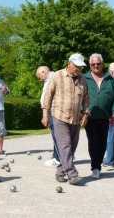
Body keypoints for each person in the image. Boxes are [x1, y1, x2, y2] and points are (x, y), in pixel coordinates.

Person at [42, 53, 90, 185]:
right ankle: (72, 174)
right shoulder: (57, 75)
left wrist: (85, 114)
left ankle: (60, 172)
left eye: (81, 67)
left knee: (72, 147)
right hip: (59, 115)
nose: (78, 69)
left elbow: (86, 98)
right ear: (69, 63)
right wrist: (45, 114)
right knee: (65, 145)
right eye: (76, 66)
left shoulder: (82, 79)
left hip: (75, 118)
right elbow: (47, 96)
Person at [84, 54, 114, 179]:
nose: (96, 66)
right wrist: (81, 112)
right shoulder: (85, 78)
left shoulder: (110, 79)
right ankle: (95, 167)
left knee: (102, 143)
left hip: (105, 117)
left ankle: (97, 164)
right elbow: (78, 96)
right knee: (93, 142)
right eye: (93, 64)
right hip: (90, 116)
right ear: (90, 65)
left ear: (102, 63)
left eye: (98, 63)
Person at [36, 66, 60, 166]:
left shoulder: (53, 78)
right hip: (52, 110)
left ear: (44, 72)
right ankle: (58, 155)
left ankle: (58, 157)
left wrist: (45, 114)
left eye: (39, 76)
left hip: (53, 110)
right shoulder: (49, 79)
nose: (39, 79)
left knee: (57, 135)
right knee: (56, 134)